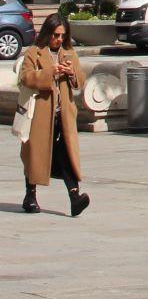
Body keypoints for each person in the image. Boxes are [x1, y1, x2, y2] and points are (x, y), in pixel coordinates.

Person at [19, 14, 89, 217]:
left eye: (62, 35)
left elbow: (80, 80)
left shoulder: (68, 53)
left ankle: (74, 197)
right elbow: (26, 77)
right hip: (39, 115)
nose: (59, 39)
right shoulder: (34, 52)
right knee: (35, 155)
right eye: (56, 35)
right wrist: (50, 72)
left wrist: (71, 72)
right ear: (48, 33)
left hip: (63, 115)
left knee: (67, 156)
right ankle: (30, 196)